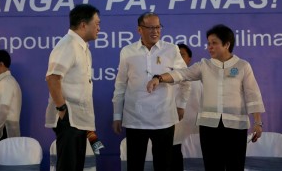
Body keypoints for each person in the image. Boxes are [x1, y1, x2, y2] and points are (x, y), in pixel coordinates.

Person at [147, 24, 265, 171]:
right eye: (208, 43)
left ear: (227, 44)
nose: (209, 47)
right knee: (212, 166)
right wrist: (159, 78)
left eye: (214, 43)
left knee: (235, 166)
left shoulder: (242, 66)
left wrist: (258, 123)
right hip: (209, 127)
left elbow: (252, 94)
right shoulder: (204, 65)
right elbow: (181, 74)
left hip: (236, 127)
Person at [112, 12, 190, 171]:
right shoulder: (127, 51)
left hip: (164, 117)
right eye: (150, 28)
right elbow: (120, 85)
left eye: (158, 27)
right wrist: (117, 115)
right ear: (139, 30)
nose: (155, 31)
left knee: (164, 165)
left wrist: (181, 104)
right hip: (135, 117)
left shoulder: (171, 49)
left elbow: (184, 76)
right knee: (134, 164)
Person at [45, 4, 100, 171]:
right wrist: (62, 109)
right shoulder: (68, 45)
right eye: (96, 23)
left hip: (79, 120)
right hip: (69, 118)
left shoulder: (83, 48)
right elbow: (53, 77)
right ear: (84, 24)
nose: (99, 27)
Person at [172, 44, 202, 171]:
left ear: (189, 59)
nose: (178, 57)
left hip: (195, 131)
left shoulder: (198, 80)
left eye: (182, 54)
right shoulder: (166, 80)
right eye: (175, 55)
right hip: (173, 132)